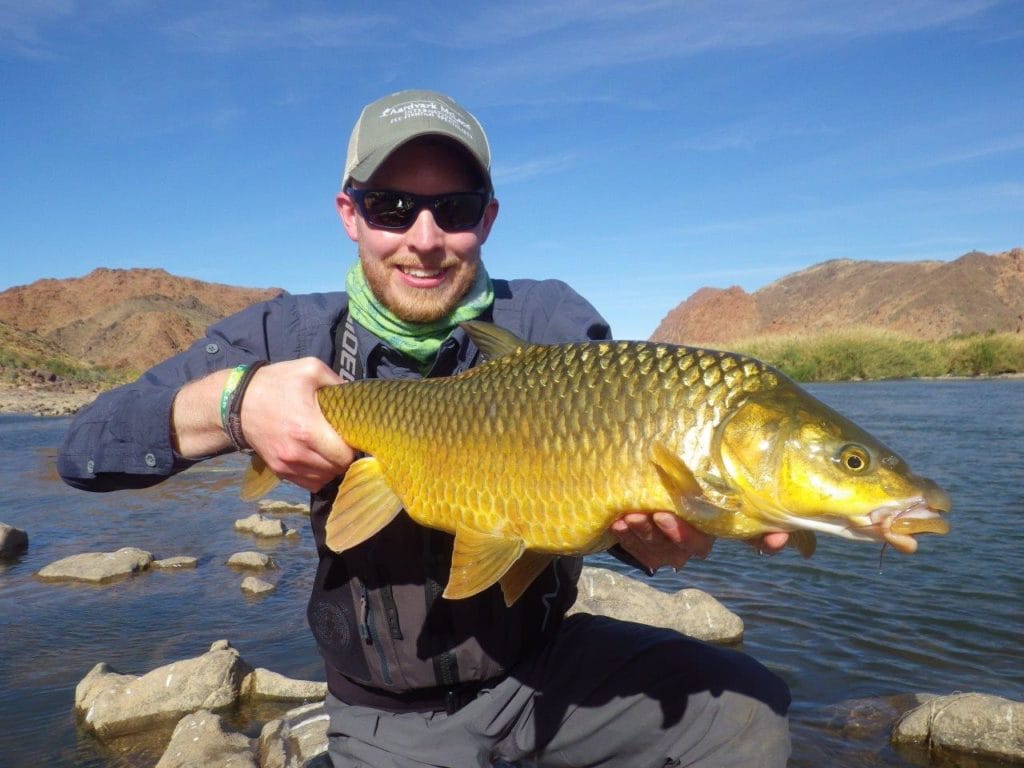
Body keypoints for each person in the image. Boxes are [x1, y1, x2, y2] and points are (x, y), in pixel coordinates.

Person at [58, 89, 792, 767]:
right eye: (392, 206)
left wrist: (648, 545)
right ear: (350, 213)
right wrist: (231, 403)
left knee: (747, 711)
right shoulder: (286, 333)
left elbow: (606, 484)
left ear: (489, 217)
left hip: (549, 672)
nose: (425, 236)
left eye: (457, 207)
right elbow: (84, 451)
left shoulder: (549, 322)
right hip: (388, 717)